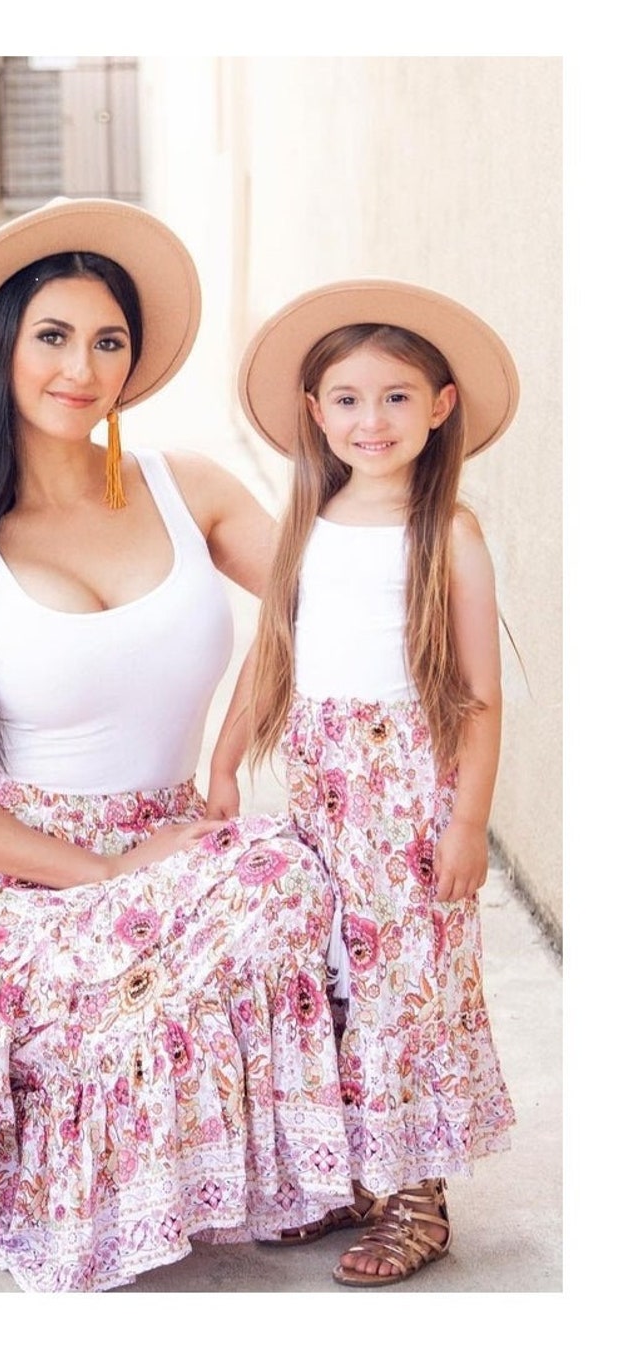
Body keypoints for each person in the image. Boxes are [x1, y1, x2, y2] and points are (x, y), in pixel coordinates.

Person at [0, 197, 354, 1292]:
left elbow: (321, 599)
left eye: (108, 341)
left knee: (286, 872)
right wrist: (98, 872)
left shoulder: (187, 489)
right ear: (2, 346)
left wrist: (230, 752)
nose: (81, 367)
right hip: (0, 870)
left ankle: (228, 1157)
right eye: (53, 335)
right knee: (100, 1014)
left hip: (173, 841)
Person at [211, 279, 518, 1286]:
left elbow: (478, 696)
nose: (370, 420)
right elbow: (275, 653)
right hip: (319, 794)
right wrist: (223, 757)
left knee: (404, 989)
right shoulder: (308, 523)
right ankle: (348, 1175)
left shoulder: (448, 534)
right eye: (347, 398)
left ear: (440, 407)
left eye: (396, 397)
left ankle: (417, 1196)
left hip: (406, 800)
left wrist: (467, 822)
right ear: (314, 412)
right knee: (331, 978)